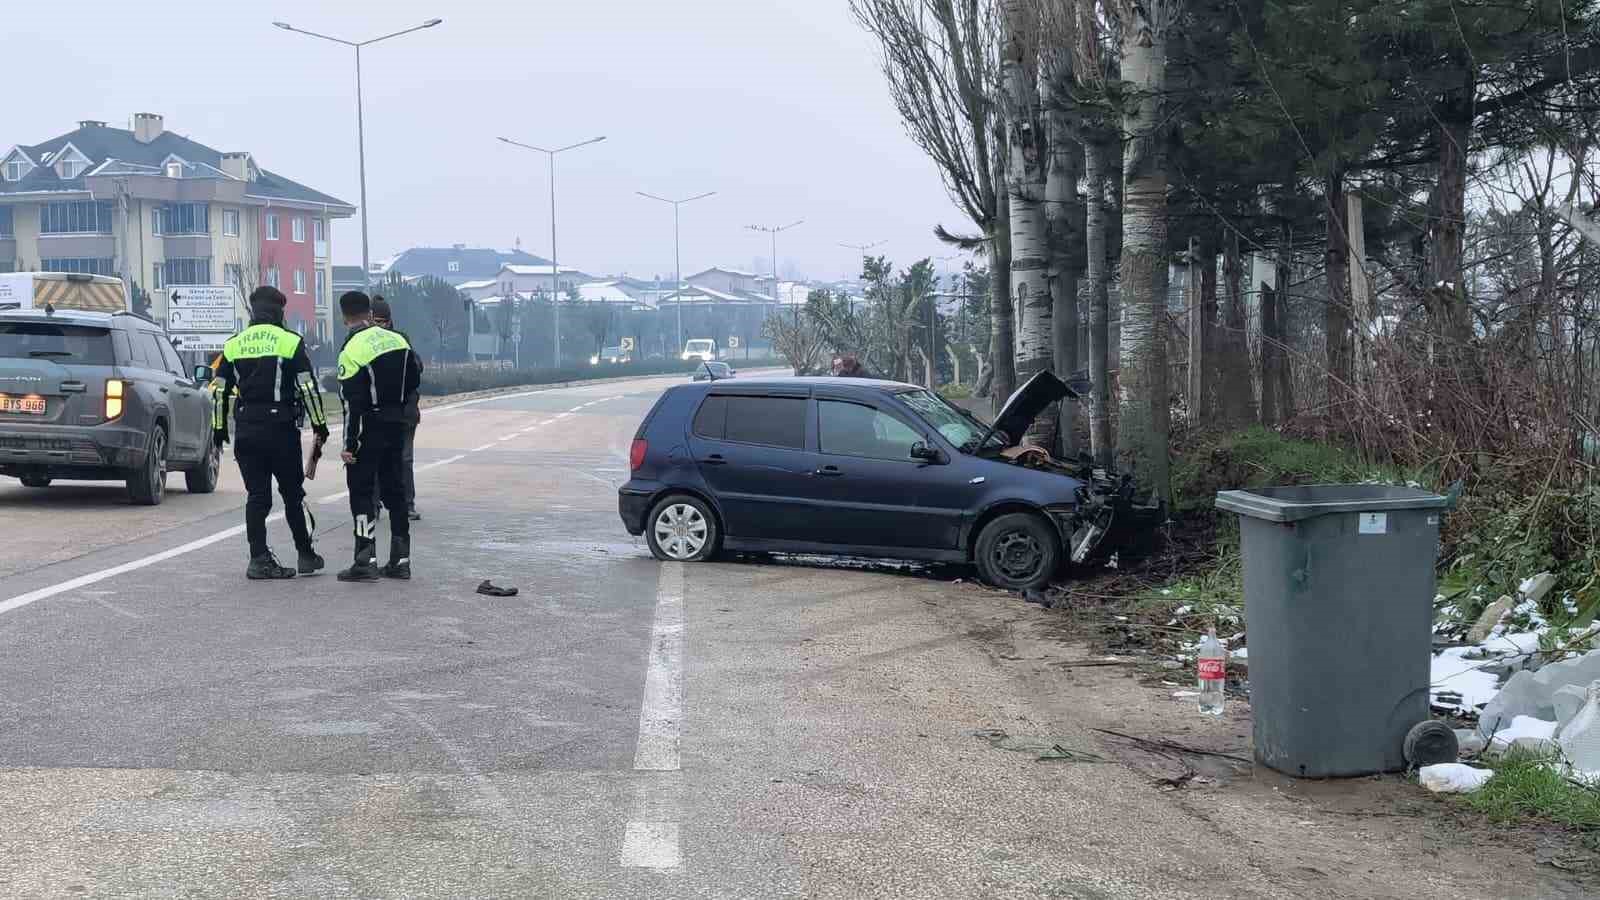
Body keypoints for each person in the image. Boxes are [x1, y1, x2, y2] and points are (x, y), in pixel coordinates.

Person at [212, 286, 329, 579]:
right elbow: (307, 386)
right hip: (280, 430)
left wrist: (218, 428)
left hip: (247, 429)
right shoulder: (290, 341)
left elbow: (218, 391)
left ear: (253, 310)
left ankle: (259, 559)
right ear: (279, 311)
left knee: (257, 496)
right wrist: (319, 424)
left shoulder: (234, 344)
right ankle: (305, 554)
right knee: (292, 494)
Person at [335, 291, 423, 582]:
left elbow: (351, 402)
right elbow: (414, 378)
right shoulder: (399, 339)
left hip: (369, 428)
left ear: (344, 316)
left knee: (361, 491)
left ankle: (365, 558)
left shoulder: (352, 348)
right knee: (395, 490)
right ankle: (400, 559)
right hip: (398, 423)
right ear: (369, 313)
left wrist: (349, 445)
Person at [370, 296, 422, 521]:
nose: (378, 326)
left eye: (382, 321)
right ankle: (374, 504)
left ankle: (407, 503)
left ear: (389, 321)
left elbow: (416, 370)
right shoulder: (364, 343)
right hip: (375, 413)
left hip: (404, 413)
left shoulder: (401, 340)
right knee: (373, 459)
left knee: (404, 459)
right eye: (374, 321)